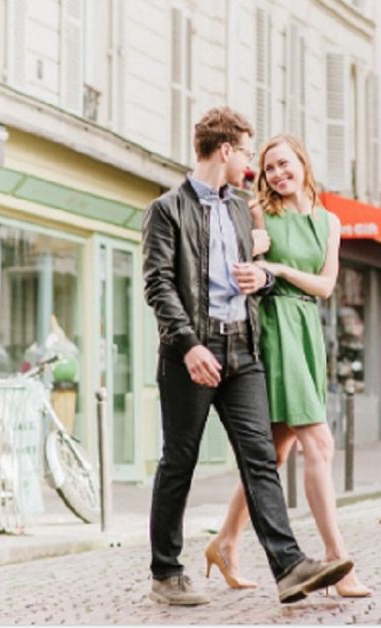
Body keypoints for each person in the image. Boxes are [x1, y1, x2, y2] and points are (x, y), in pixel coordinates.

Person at [142, 108, 352, 606]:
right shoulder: (167, 209)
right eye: (247, 153)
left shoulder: (241, 208)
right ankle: (166, 572)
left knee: (261, 458)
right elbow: (158, 285)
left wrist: (265, 276)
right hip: (192, 353)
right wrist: (188, 344)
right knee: (180, 462)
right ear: (226, 152)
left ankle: (289, 567)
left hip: (244, 348)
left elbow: (259, 272)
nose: (253, 168)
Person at [203, 134, 372, 598]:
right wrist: (264, 266)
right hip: (274, 330)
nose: (278, 174)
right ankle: (339, 562)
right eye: (269, 167)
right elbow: (247, 269)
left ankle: (225, 542)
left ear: (303, 161)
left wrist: (281, 270)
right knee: (318, 442)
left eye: (284, 164)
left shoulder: (329, 221)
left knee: (273, 456)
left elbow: (325, 286)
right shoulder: (260, 213)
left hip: (306, 330)